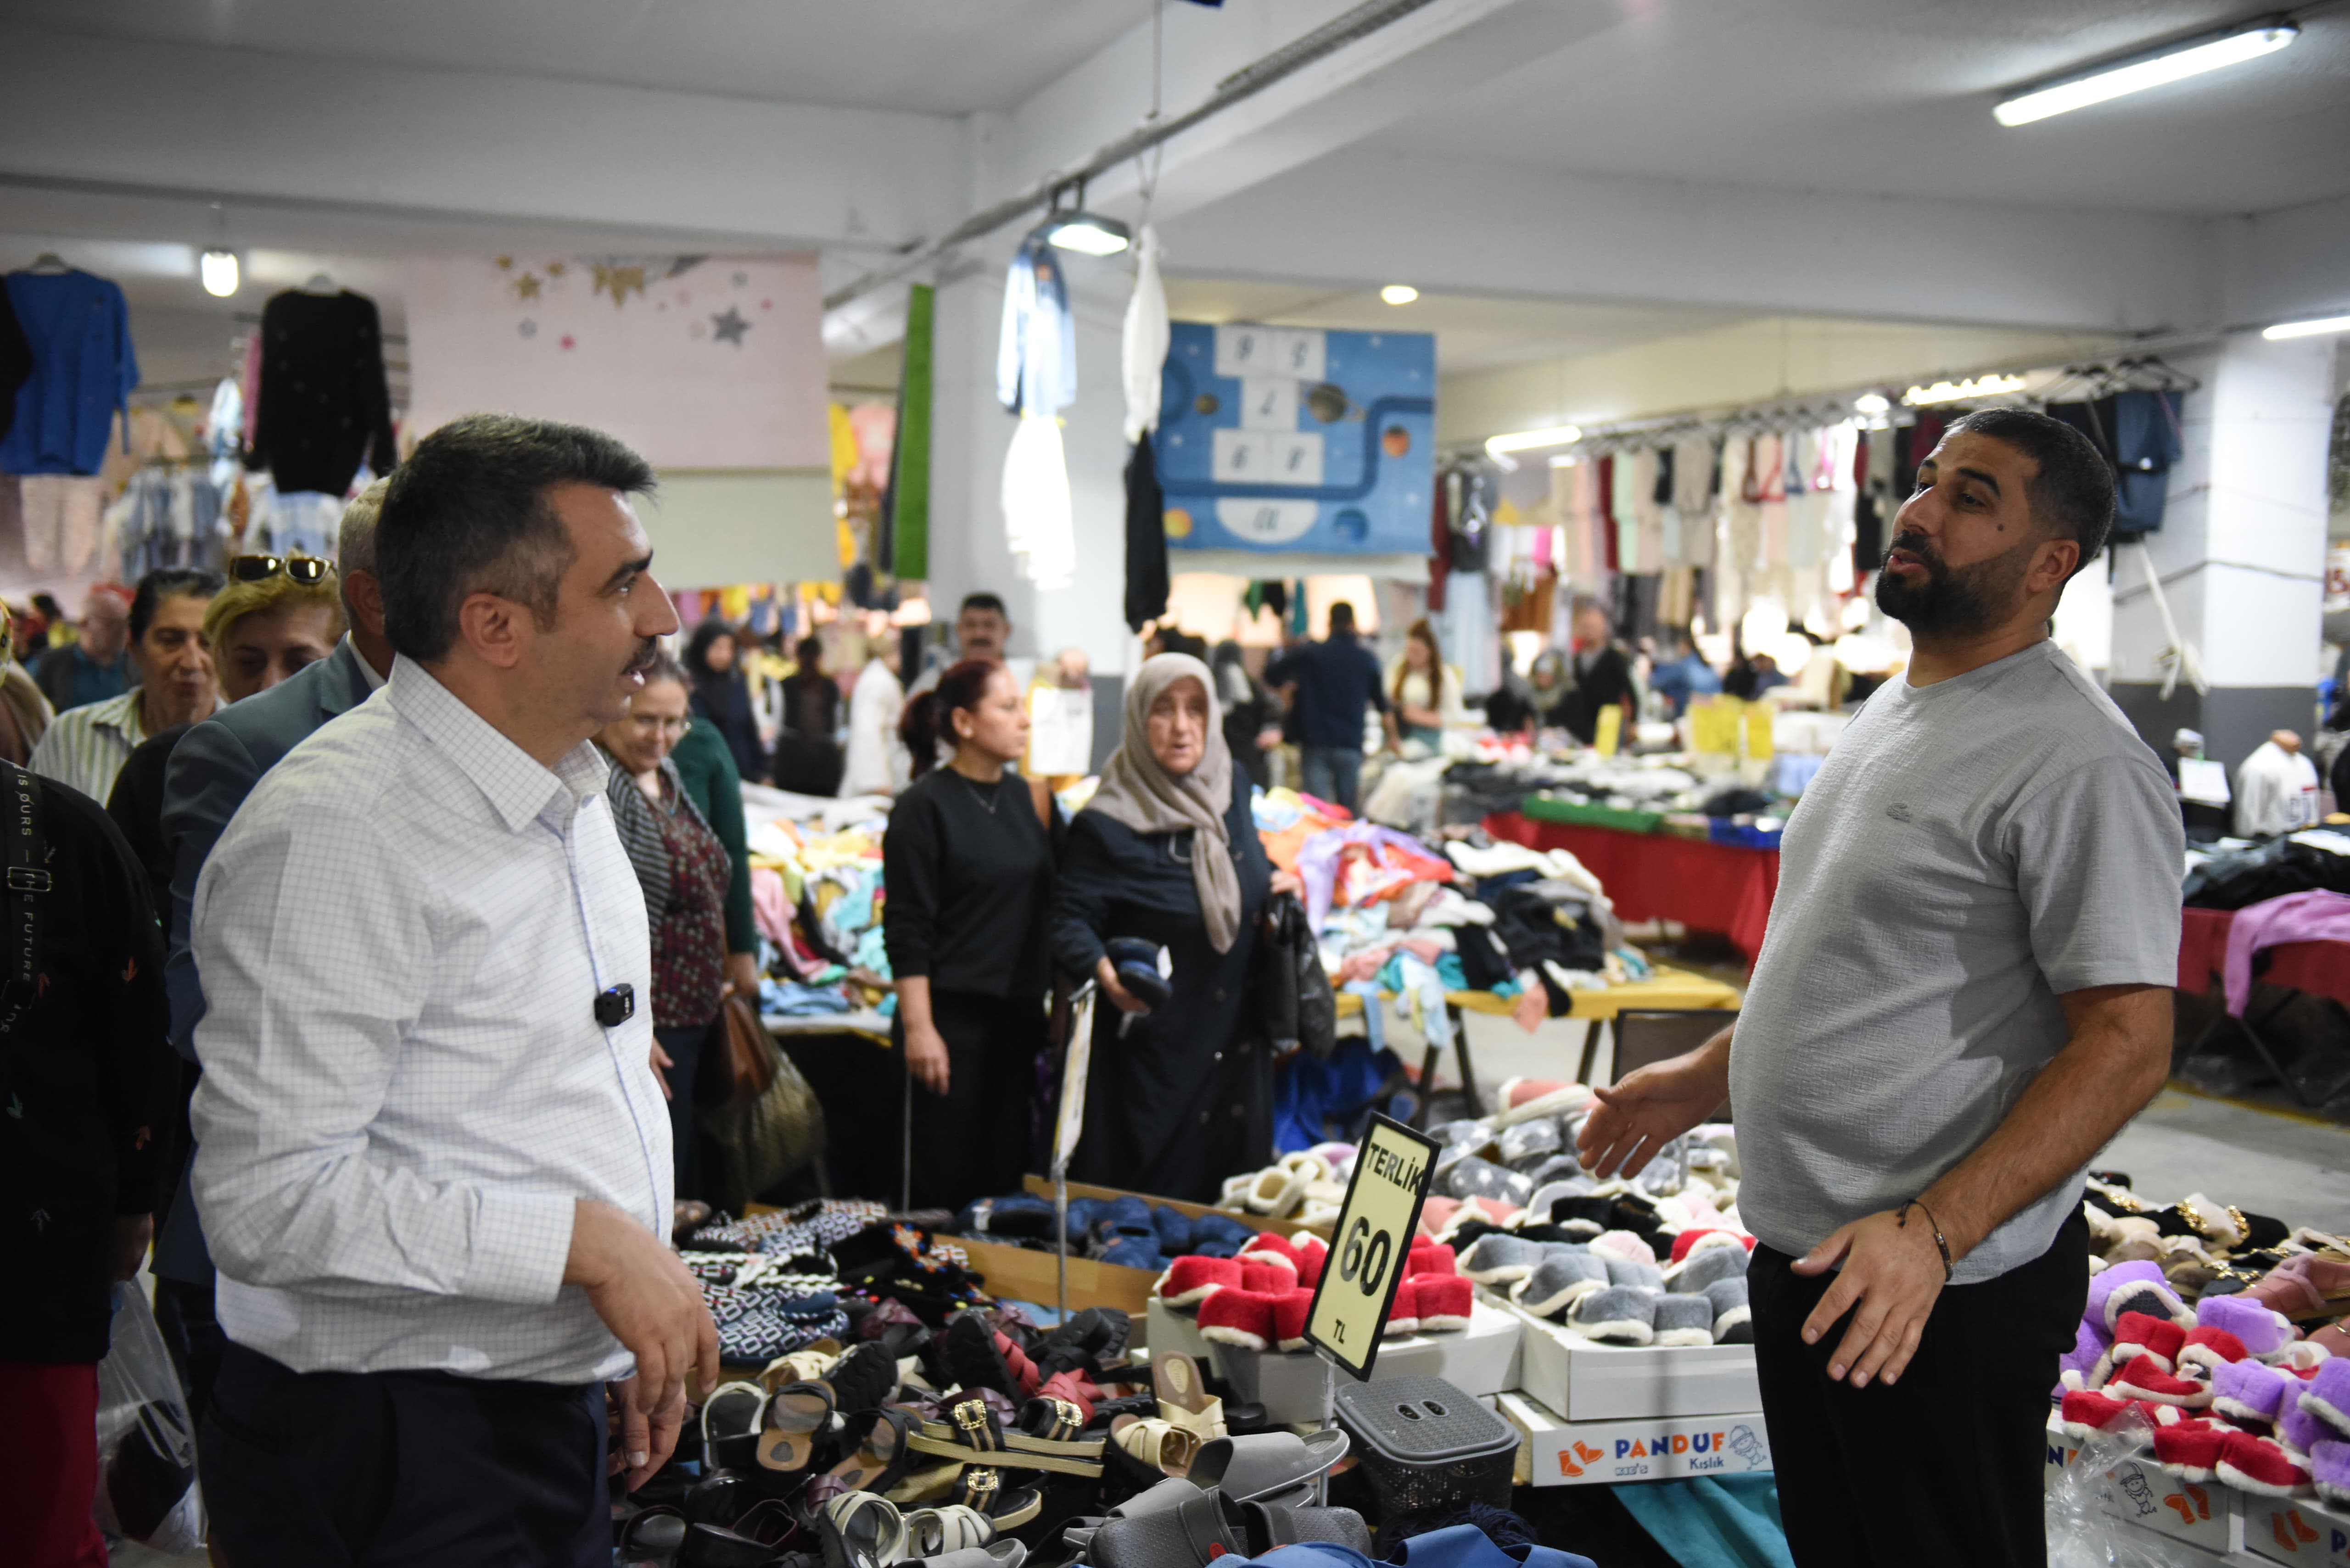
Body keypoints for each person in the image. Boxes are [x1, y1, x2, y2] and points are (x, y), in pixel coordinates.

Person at [1578, 407, 2180, 1568]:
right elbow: (1856, 960)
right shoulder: (1899, 706)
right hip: (1815, 1254)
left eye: (1970, 498)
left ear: (2049, 561)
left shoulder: (2080, 759)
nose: (1919, 510)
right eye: (1927, 480)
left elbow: (2126, 1042)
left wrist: (1933, 1234)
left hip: (1932, 1283)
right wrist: (1710, 1075)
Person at [188, 413, 717, 1566]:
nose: (661, 615)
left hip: (530, 1410)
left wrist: (595, 1334)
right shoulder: (341, 831)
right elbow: (269, 1199)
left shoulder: (571, 793)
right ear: (495, 624)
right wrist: (587, 1247)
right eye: (621, 583)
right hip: (393, 1440)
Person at [149, 485, 395, 1432]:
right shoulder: (245, 746)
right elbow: (196, 993)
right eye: (247, 658)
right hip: (280, 1239)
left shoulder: (513, 728)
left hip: (447, 1258)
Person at [0, 603, 176, 1568]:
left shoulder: (64, 833)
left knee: (40, 1527)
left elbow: (137, 1035)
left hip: (34, 1269)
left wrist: (130, 1210)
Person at [1050, 653, 1295, 1202]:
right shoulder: (1107, 824)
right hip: (1156, 1056)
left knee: (1231, 1211)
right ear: (1138, 720)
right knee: (1153, 1212)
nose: (1181, 727)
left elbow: (1243, 863)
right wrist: (1105, 975)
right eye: (1162, 710)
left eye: (1195, 709)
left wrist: (1275, 882)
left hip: (1234, 1048)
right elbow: (1067, 919)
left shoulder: (1231, 784)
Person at [884, 659, 1059, 1210]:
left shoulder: (1032, 799)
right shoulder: (922, 806)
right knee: (940, 1181)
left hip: (1018, 1019)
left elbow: (1057, 907)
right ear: (963, 722)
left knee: (1005, 1186)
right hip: (948, 1020)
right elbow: (907, 926)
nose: (1023, 720)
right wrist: (919, 1028)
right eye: (1007, 707)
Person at [109, 556, 347, 926]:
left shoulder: (370, 768)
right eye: (249, 663)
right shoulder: (159, 769)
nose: (270, 684)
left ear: (342, 668)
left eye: (300, 664)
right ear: (221, 663)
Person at [596, 654, 733, 1205]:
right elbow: (604, 920)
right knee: (662, 1174)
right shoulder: (603, 788)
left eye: (674, 722)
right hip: (656, 1022)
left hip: (695, 1011)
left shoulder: (665, 776)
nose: (661, 737)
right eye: (646, 720)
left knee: (691, 1164)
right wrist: (638, 1027)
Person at [29, 566, 223, 803]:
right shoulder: (71, 738)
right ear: (135, 647)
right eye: (171, 641)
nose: (191, 662)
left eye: (208, 642)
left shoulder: (248, 746)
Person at [1263, 601, 1393, 813]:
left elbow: (1271, 675)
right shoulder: (1366, 659)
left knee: (1316, 811)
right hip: (1349, 741)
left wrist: (1289, 690)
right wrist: (1393, 739)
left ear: (1329, 624)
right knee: (1347, 811)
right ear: (1353, 624)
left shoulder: (1310, 654)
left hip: (1315, 740)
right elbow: (1382, 704)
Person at [685, 617, 764, 784]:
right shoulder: (688, 685)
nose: (725, 655)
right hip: (701, 773)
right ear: (703, 647)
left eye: (730, 648)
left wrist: (762, 770)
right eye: (718, 647)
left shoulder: (737, 682)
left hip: (741, 771)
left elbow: (749, 728)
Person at [32, 584, 131, 712]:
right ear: (84, 624)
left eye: (126, 623)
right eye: (111, 624)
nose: (122, 631)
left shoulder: (136, 665)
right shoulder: (50, 665)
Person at [771, 634, 845, 796]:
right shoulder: (832, 687)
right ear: (821, 658)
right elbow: (838, 728)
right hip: (825, 767)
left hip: (791, 765)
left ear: (797, 657)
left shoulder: (784, 686)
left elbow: (777, 724)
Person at [1554, 599, 1635, 745]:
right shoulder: (1576, 659)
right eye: (1586, 627)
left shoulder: (1614, 657)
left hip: (1609, 723)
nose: (1590, 631)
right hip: (1583, 725)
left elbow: (1629, 693)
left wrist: (1631, 723)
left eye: (1594, 627)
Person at [840, 631, 908, 797]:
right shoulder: (879, 682)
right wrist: (876, 784)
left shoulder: (875, 678)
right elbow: (868, 731)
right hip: (873, 785)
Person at [909, 591, 1012, 695]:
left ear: (1007, 631)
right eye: (970, 625)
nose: (979, 634)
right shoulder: (935, 681)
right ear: (958, 630)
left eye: (989, 625)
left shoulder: (1019, 677)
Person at [1211, 639, 1279, 790]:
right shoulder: (1249, 684)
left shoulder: (1211, 682)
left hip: (1219, 753)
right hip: (1248, 755)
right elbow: (1266, 716)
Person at [1388, 616, 1465, 749]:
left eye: (1417, 652)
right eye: (1409, 650)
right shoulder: (1398, 667)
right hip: (1400, 737)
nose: (1411, 656)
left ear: (1430, 651)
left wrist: (1421, 717)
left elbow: (1454, 716)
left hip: (1429, 741)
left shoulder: (1443, 675)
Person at [2235, 728, 2319, 837]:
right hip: (2271, 840)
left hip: (2306, 837)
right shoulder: (2259, 766)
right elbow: (2248, 816)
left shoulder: (2305, 764)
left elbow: (2314, 808)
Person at [1646, 626, 1723, 717]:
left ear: (1685, 646)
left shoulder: (1685, 666)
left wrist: (1646, 673)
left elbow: (1657, 682)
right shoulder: (1705, 664)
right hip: (1714, 709)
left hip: (1695, 711)